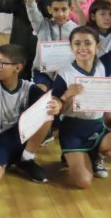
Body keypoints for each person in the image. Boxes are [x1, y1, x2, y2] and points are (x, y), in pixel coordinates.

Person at [0, 26, 61, 184]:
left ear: (18, 68)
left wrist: (57, 105)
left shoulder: (29, 88)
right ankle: (5, 160)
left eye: (1, 63)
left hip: (20, 137)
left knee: (48, 108)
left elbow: (51, 104)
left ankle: (27, 158)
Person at [52, 26, 111, 188]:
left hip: (98, 127)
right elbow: (56, 112)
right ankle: (72, 155)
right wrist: (65, 96)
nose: (83, 48)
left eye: (88, 43)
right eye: (77, 43)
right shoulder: (64, 74)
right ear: (71, 47)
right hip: (73, 131)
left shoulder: (103, 65)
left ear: (97, 46)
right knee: (83, 182)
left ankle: (96, 153)